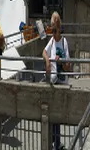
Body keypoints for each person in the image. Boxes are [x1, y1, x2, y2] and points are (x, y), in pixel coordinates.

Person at [46, 11, 71, 150]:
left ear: (59, 28)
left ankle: (57, 143)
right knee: (54, 116)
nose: (53, 33)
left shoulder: (63, 41)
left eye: (54, 30)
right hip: (54, 83)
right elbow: (44, 52)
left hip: (62, 84)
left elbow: (68, 66)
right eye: (51, 30)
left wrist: (61, 62)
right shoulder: (51, 41)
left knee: (58, 116)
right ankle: (56, 143)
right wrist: (47, 62)